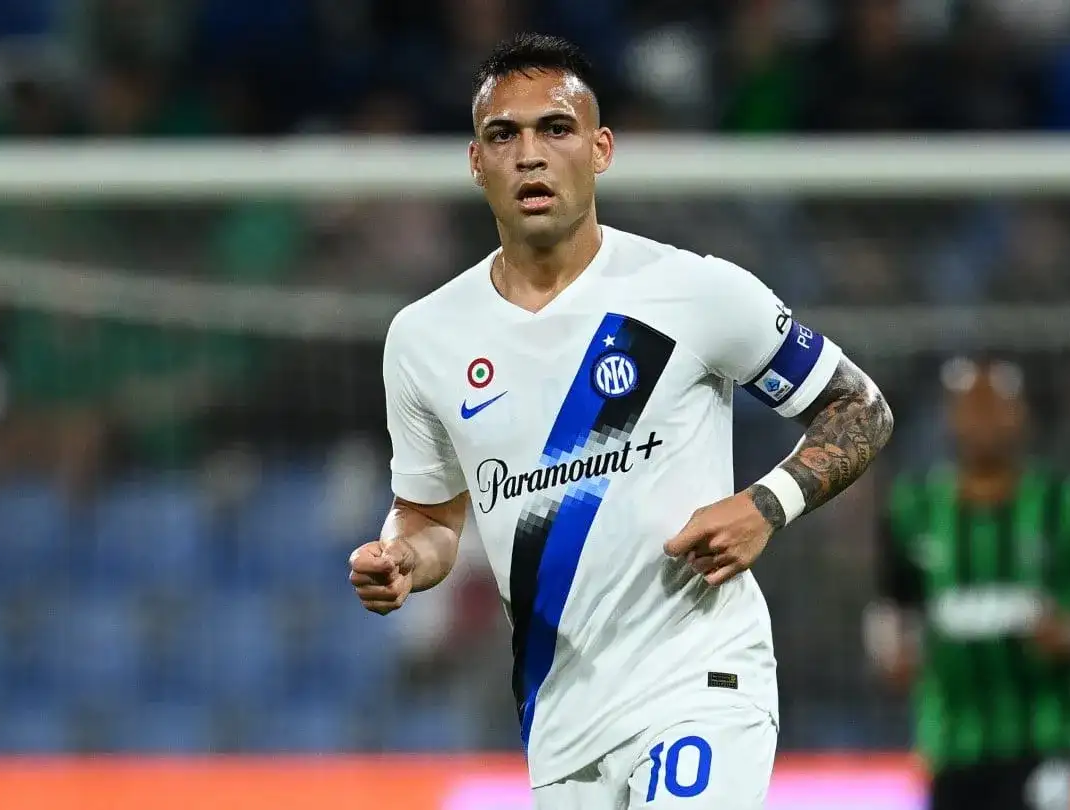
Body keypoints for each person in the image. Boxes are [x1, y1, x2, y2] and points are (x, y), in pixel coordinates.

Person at [347, 34, 894, 808]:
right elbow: (432, 516)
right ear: (476, 162)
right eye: (504, 135)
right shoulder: (425, 338)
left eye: (555, 129)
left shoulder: (691, 292)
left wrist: (766, 505)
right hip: (561, 720)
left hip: (699, 683)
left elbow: (859, 406)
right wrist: (403, 555)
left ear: (600, 149)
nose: (530, 155)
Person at [865, 357, 1070, 810]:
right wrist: (891, 653)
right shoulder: (913, 511)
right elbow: (889, 607)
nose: (982, 421)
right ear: (948, 417)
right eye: (970, 407)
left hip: (1046, 742)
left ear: (1022, 415)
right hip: (952, 747)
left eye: (994, 406)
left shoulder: (1069, 507)